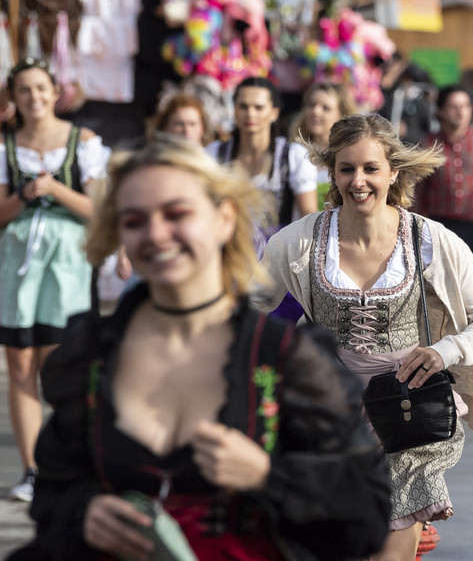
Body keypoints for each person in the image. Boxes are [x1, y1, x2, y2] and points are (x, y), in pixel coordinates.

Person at [26, 138, 391, 561]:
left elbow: (365, 514)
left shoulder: (284, 357)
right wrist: (82, 511)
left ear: (223, 219)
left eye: (177, 214)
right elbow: (52, 491)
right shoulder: (91, 354)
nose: (156, 234)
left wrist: (266, 475)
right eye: (134, 219)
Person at [258, 113, 473, 561]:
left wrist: (444, 350)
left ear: (393, 171)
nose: (359, 181)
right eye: (346, 168)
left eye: (371, 168)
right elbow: (244, 312)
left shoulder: (431, 240)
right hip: (329, 417)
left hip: (407, 414)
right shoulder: (297, 242)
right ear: (332, 173)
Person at [0, 57, 110, 502]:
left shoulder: (82, 141)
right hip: (17, 264)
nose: (34, 98)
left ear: (55, 91)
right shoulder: (6, 146)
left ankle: (67, 461)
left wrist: (56, 190)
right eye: (24, 90)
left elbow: (99, 211)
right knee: (20, 365)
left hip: (66, 265)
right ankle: (31, 468)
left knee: (59, 366)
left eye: (41, 88)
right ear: (14, 97)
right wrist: (26, 194)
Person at [208, 76, 318, 322]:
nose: (250, 114)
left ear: (274, 112)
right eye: (243, 106)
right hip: (227, 262)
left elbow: (309, 217)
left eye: (258, 107)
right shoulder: (215, 153)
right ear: (234, 110)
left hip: (275, 267)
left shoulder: (293, 156)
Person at [412, 85, 473, 272]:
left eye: (465, 106)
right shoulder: (429, 144)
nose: (461, 112)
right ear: (441, 111)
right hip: (440, 228)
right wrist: (417, 235)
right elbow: (417, 194)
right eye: (454, 107)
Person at [288, 81, 357, 201]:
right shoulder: (291, 152)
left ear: (342, 115)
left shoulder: (351, 156)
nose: (315, 111)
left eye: (326, 108)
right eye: (311, 105)